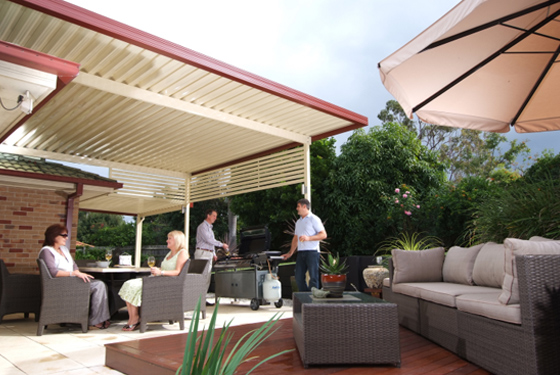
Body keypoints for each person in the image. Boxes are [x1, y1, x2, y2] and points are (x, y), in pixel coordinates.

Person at [38, 224, 111, 329]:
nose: (66, 238)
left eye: (66, 235)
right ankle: (96, 321)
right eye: (63, 235)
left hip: (71, 282)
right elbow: (53, 273)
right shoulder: (47, 251)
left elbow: (74, 266)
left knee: (99, 284)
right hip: (59, 285)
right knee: (98, 285)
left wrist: (78, 274)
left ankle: (99, 319)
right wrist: (74, 274)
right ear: (53, 236)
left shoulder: (64, 250)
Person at [118, 230, 189, 331]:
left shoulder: (182, 253)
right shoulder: (170, 253)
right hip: (158, 280)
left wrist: (161, 273)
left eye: (169, 238)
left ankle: (135, 319)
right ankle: (132, 318)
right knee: (128, 284)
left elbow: (178, 272)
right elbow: (166, 269)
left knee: (133, 286)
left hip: (166, 285)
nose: (167, 240)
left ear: (177, 240)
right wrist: (158, 270)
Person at [281, 199, 327, 292]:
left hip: (312, 252)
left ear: (304, 207)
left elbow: (323, 235)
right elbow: (295, 238)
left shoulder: (314, 219)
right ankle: (305, 297)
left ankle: (313, 301)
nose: (296, 208)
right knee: (298, 277)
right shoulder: (298, 222)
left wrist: (308, 238)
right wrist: (290, 253)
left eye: (298, 206)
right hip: (301, 252)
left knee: (313, 278)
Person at [195, 209, 228, 306]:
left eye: (216, 216)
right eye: (214, 216)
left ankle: (202, 300)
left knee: (207, 277)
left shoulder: (210, 228)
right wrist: (222, 245)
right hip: (202, 253)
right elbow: (209, 240)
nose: (215, 218)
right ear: (208, 215)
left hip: (208, 254)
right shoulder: (202, 227)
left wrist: (214, 253)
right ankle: (197, 300)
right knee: (201, 277)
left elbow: (210, 242)